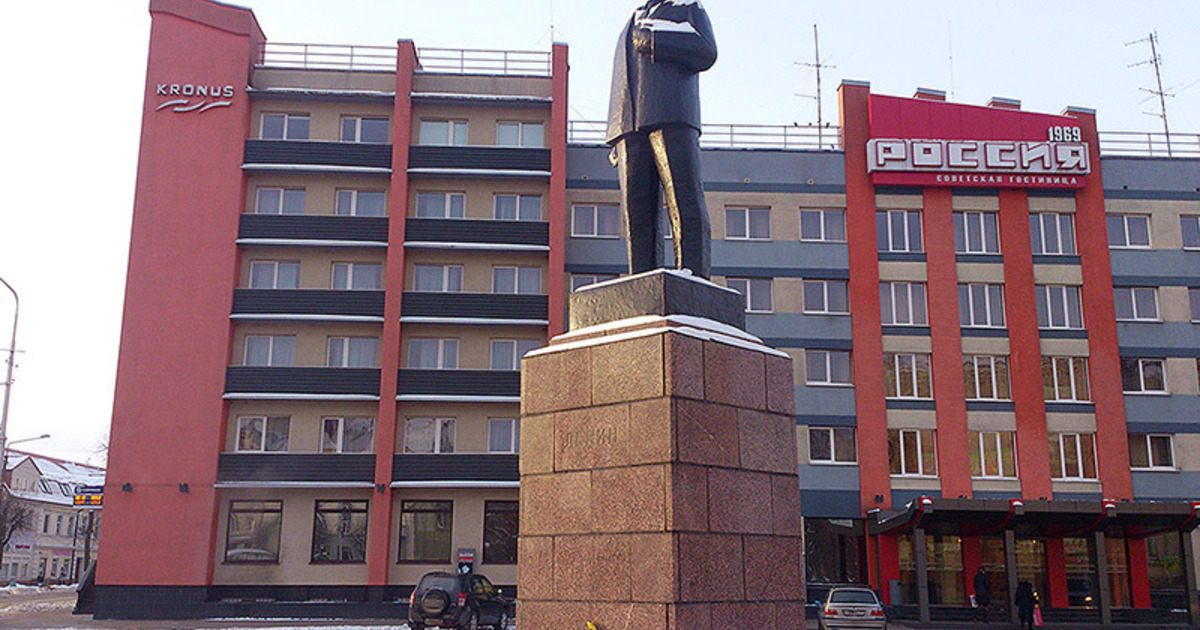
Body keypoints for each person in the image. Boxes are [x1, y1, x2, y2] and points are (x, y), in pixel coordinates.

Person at [607, 0, 718, 279]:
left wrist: (656, 40)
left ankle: (693, 274)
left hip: (672, 115)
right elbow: (623, 78)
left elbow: (706, 50)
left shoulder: (686, 6)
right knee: (637, 214)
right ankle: (641, 278)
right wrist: (616, 132)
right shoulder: (632, 19)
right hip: (630, 127)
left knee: (683, 199)